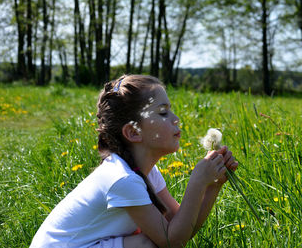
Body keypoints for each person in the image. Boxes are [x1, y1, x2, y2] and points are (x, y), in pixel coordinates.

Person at [30, 74, 238, 248]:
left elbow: (181, 227)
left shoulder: (145, 172)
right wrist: (197, 182)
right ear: (133, 132)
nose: (175, 118)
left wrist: (213, 186)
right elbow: (171, 240)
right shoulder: (123, 179)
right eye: (163, 112)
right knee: (147, 244)